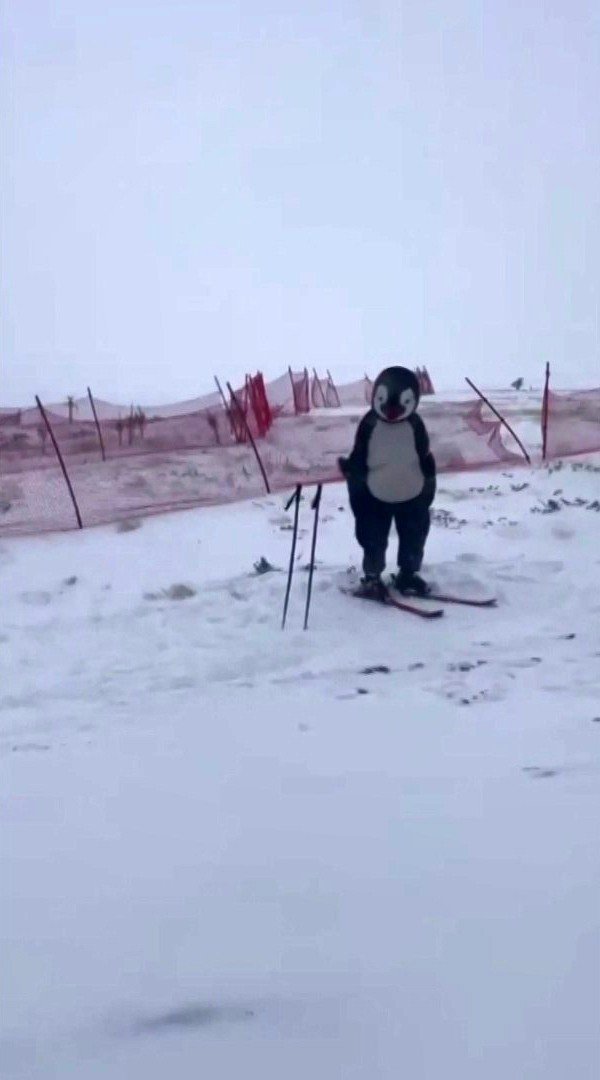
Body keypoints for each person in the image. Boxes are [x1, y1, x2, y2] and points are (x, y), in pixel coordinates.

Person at [338, 366, 436, 598]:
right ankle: (372, 577)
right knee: (373, 537)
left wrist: (427, 472)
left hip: (411, 493)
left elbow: (423, 454)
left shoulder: (415, 424)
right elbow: (360, 455)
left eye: (403, 402)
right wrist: (352, 469)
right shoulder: (370, 424)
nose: (392, 409)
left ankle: (408, 573)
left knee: (414, 535)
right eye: (383, 400)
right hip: (376, 495)